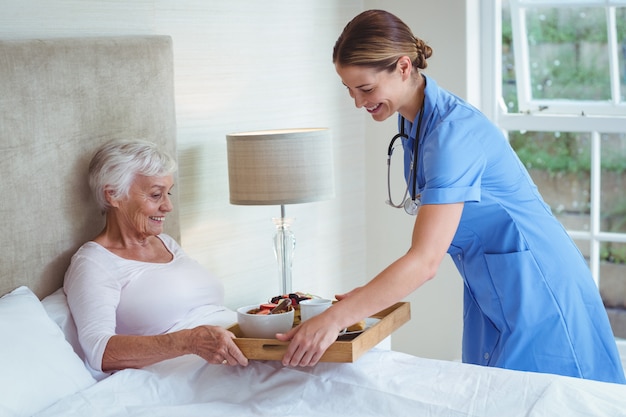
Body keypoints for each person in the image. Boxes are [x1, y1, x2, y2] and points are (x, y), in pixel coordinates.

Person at [277, 9, 626, 384]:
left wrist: (334, 320)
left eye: (365, 88)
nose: (358, 102)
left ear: (404, 67)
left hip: (540, 287)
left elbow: (425, 261)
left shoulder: (452, 134)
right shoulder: (414, 122)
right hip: (492, 287)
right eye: (349, 89)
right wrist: (365, 297)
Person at [64, 139, 248, 378]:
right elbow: (100, 351)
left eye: (168, 193)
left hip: (235, 355)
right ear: (113, 196)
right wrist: (189, 341)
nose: (168, 206)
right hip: (188, 373)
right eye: (155, 195)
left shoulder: (165, 242)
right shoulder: (94, 264)